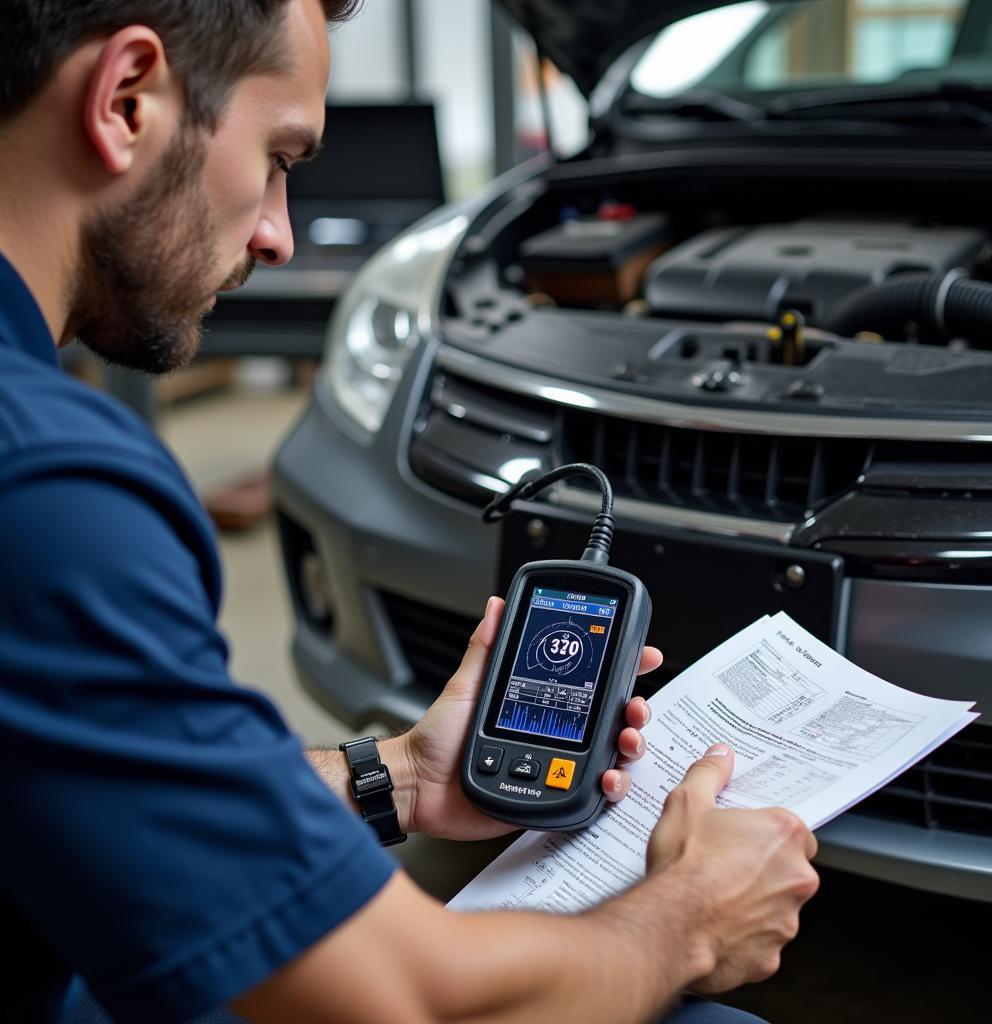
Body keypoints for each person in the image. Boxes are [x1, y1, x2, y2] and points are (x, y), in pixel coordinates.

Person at [0, 2, 820, 1022]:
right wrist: (691, 911)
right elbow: (410, 1005)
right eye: (277, 156)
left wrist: (397, 774)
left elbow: (83, 770)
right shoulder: (48, 487)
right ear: (126, 99)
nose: (278, 234)